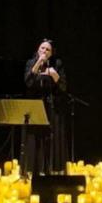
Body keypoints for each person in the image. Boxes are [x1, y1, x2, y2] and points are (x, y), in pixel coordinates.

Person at [23, 39, 68, 175]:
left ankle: (53, 170)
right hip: (36, 105)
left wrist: (53, 73)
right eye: (42, 48)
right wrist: (38, 63)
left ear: (52, 53)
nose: (44, 51)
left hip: (52, 105)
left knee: (52, 137)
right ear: (38, 50)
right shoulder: (31, 63)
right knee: (35, 137)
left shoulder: (57, 64)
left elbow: (63, 86)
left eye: (47, 50)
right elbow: (28, 82)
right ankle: (34, 170)